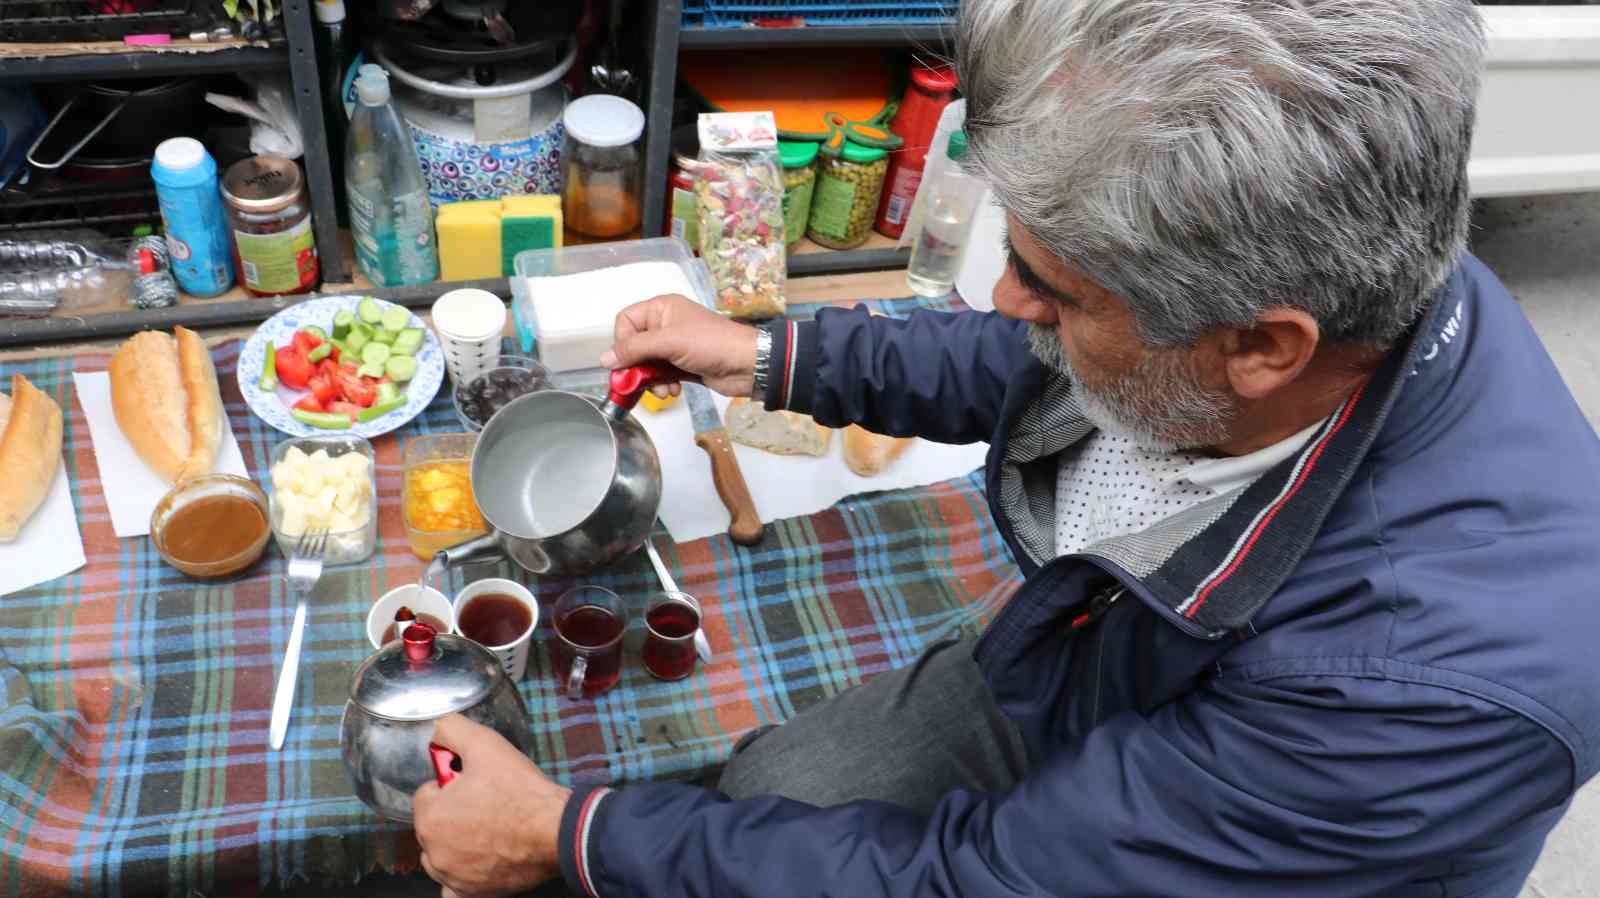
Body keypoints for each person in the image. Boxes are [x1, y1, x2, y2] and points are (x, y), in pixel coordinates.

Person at [412, 0, 1600, 894]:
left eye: (1052, 285)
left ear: (1259, 347)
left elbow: (974, 881)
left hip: (1245, 825)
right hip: (1106, 654)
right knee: (775, 792)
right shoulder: (1315, 275)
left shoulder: (1409, 698)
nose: (1000, 299)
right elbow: (1047, 372)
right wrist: (770, 358)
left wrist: (565, 834)